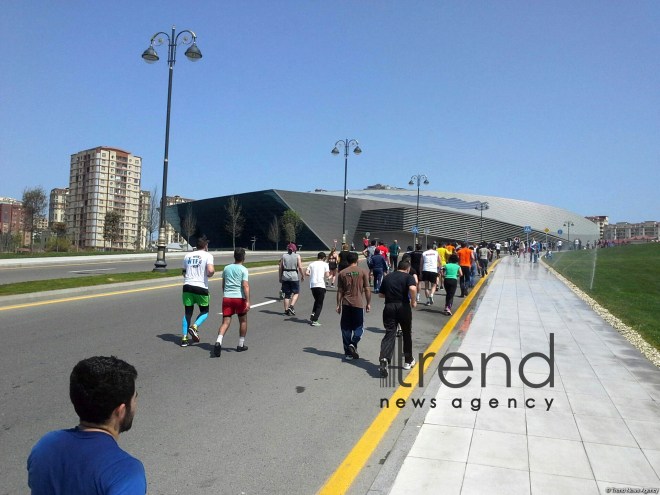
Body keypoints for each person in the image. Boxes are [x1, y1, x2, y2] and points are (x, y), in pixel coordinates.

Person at [28, 356, 146, 494]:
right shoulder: (125, 472)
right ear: (120, 411)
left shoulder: (45, 445)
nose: (135, 405)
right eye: (133, 399)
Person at [378, 259, 418, 377]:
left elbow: (381, 294)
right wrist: (413, 301)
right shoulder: (408, 277)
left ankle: (384, 358)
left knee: (390, 333)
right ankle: (408, 360)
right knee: (406, 333)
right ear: (408, 269)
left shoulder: (388, 277)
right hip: (403, 306)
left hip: (389, 307)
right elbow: (412, 288)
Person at [215, 248, 250, 357]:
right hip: (239, 298)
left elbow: (223, 284)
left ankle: (218, 341)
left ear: (234, 257)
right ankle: (240, 344)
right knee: (243, 321)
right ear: (243, 258)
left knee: (225, 322)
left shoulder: (226, 268)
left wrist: (225, 294)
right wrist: (248, 301)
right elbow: (245, 286)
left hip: (227, 297)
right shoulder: (244, 269)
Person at [336, 251, 371, 360]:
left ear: (347, 261)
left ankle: (348, 353)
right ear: (357, 261)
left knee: (346, 328)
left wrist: (338, 304)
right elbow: (367, 289)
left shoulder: (342, 273)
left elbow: (340, 290)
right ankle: (353, 342)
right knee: (359, 327)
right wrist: (368, 303)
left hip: (346, 303)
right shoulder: (363, 272)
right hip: (358, 303)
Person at [181, 236, 215, 347]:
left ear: (196, 246)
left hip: (187, 286)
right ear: (205, 246)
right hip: (200, 286)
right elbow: (210, 270)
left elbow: (184, 272)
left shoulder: (187, 256)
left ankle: (185, 338)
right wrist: (210, 274)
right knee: (205, 311)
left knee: (188, 312)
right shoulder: (208, 256)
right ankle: (194, 327)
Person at [279, 243, 304, 315]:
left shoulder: (284, 256)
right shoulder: (297, 256)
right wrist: (302, 275)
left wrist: (280, 277)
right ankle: (291, 306)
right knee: (296, 292)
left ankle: (286, 310)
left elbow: (281, 267)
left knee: (287, 294)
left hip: (285, 275)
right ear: (295, 249)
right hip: (294, 276)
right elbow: (300, 267)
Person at [306, 252, 330, 326]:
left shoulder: (312, 264)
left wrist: (312, 274)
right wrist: (330, 276)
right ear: (323, 258)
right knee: (320, 304)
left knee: (316, 300)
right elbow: (327, 275)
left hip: (313, 285)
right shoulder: (325, 264)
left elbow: (307, 273)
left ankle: (313, 314)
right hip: (320, 285)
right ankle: (315, 320)